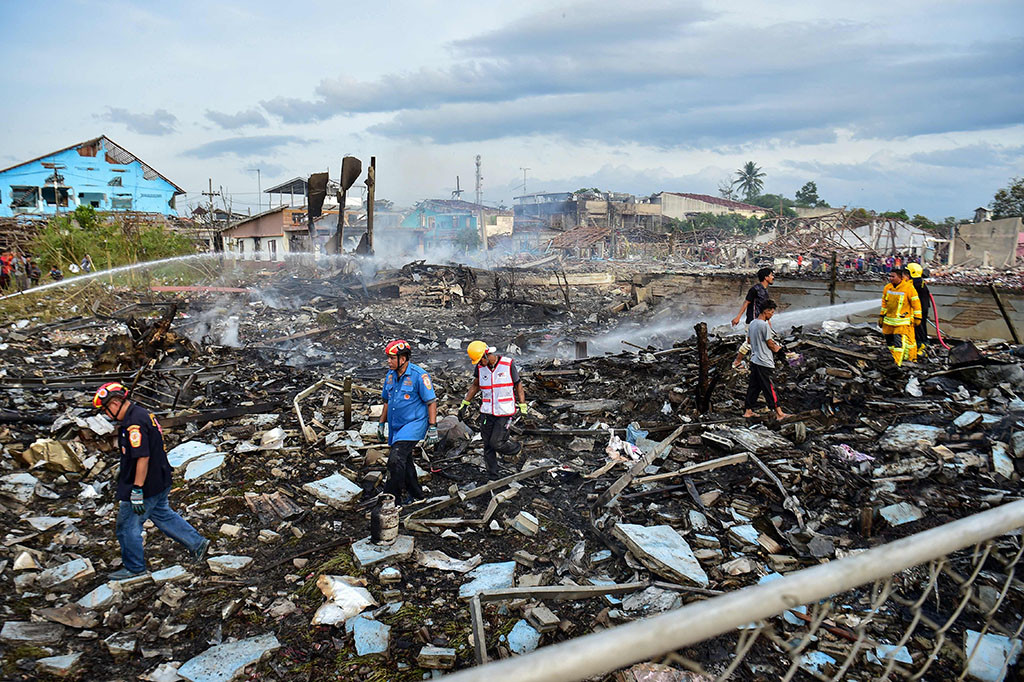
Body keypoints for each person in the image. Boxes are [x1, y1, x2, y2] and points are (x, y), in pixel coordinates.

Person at [92, 382, 209, 580]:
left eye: (106, 410)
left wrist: (137, 489)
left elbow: (142, 457)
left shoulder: (133, 424)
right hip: (160, 479)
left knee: (128, 526)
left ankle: (134, 568)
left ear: (114, 404)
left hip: (145, 485)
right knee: (163, 514)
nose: (107, 415)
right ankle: (197, 543)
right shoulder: (141, 413)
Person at [378, 339, 437, 504]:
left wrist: (432, 427)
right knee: (405, 459)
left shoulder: (419, 376)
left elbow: (431, 402)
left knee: (395, 460)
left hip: (414, 424)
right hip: (396, 426)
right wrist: (381, 424)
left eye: (391, 358)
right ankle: (417, 494)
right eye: (388, 358)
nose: (388, 361)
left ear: (402, 359)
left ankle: (390, 499)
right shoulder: (390, 376)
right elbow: (386, 401)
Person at [460, 341, 527, 480]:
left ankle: (516, 448)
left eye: (480, 360)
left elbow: (518, 385)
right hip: (487, 412)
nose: (480, 363)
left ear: (487, 354)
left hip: (505, 411)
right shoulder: (480, 367)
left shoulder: (507, 364)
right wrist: (465, 403)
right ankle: (493, 476)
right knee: (487, 445)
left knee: (496, 443)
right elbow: (475, 385)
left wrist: (522, 405)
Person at [743, 300, 789, 420]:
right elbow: (770, 344)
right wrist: (778, 349)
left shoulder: (752, 323)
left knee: (754, 387)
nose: (772, 315)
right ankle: (779, 413)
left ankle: (748, 411)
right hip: (764, 361)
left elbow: (748, 341)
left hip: (754, 359)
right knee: (769, 387)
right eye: (772, 312)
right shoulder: (764, 325)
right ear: (766, 311)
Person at [879, 268, 921, 366]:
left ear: (900, 277)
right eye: (890, 276)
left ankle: (897, 363)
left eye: (893, 276)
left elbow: (916, 304)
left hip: (901, 322)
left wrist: (918, 317)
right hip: (889, 321)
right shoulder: (887, 288)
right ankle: (893, 358)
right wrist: (881, 316)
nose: (890, 278)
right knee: (890, 343)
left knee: (898, 344)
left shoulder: (909, 288)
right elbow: (884, 303)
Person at [907, 263, 931, 355]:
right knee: (921, 327)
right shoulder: (919, 282)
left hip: (918, 310)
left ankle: (921, 345)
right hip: (922, 308)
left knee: (918, 328)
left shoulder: (915, 283)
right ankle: (923, 342)